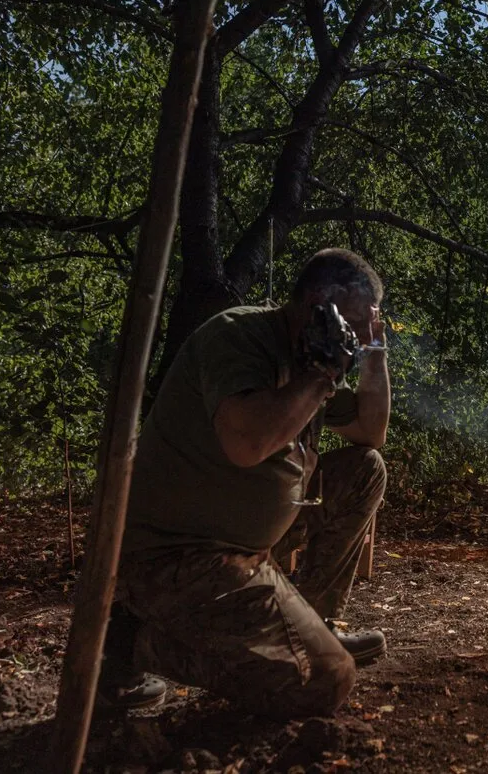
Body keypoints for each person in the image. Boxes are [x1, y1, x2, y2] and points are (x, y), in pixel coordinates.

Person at [99, 248, 391, 718]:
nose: (354, 342)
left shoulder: (317, 357)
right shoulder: (239, 336)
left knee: (366, 468)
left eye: (362, 333)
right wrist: (323, 375)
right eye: (353, 326)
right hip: (179, 552)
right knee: (325, 680)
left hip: (252, 542)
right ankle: (132, 639)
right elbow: (247, 443)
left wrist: (373, 354)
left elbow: (370, 433)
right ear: (319, 300)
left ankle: (316, 617)